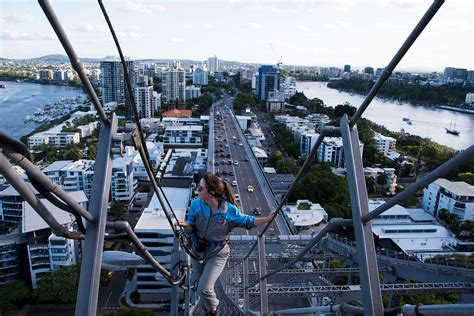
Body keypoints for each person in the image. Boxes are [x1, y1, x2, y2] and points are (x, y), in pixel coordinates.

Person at [176, 172, 275, 316]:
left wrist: (267, 219)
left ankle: (214, 307)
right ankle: (208, 309)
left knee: (204, 288)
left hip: (217, 253)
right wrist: (185, 225)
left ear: (211, 193)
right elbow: (191, 227)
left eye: (200, 188)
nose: (198, 191)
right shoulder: (196, 204)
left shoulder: (228, 210)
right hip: (197, 250)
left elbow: (248, 221)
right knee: (198, 285)